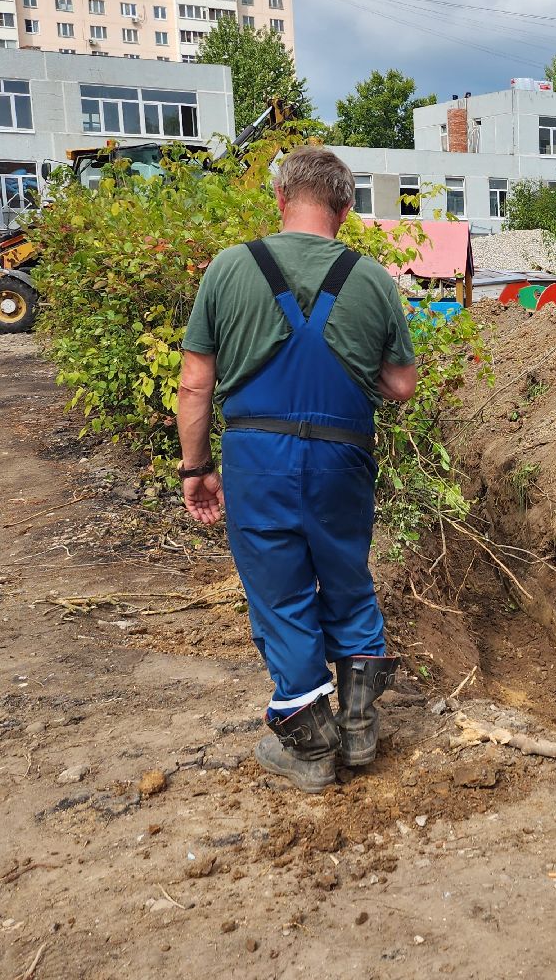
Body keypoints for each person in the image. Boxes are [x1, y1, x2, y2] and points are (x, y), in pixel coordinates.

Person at [177, 145, 418, 793]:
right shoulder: (370, 279)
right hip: (344, 456)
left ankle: (311, 749)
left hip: (258, 457)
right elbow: (400, 385)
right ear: (344, 209)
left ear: (281, 199)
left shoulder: (230, 269)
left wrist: (194, 467)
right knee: (345, 572)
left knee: (281, 594)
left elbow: (195, 384)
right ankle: (361, 727)